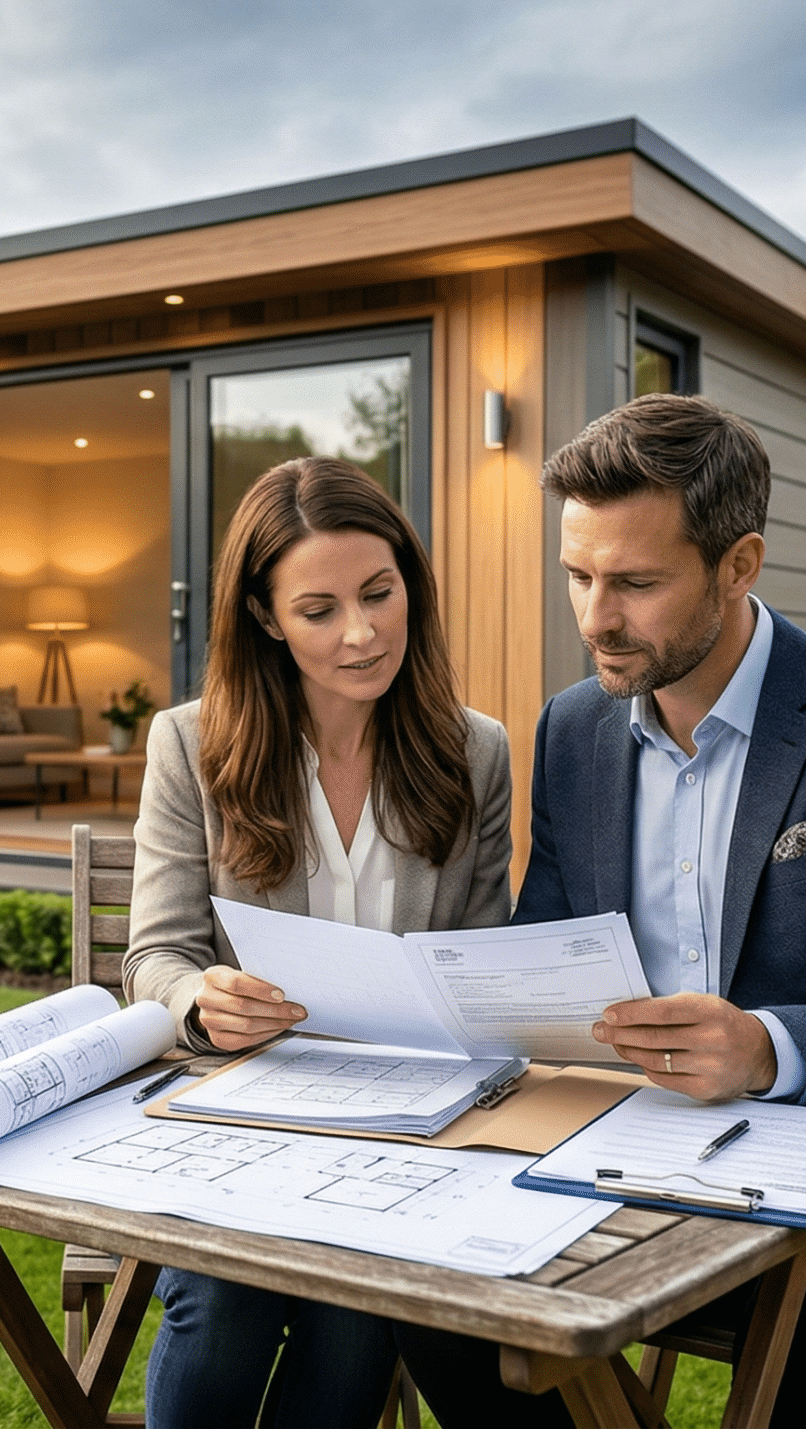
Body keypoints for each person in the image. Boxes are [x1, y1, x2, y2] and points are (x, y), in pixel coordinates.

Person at [394, 394, 806, 1428]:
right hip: (628, 1149)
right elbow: (547, 954)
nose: (595, 617)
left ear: (738, 565)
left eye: (635, 583)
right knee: (434, 1300)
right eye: (578, 574)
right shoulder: (576, 728)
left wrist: (767, 1046)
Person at [124, 455, 516, 1428]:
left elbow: (480, 957)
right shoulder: (192, 744)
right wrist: (198, 998)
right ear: (263, 617)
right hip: (243, 1107)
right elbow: (154, 955)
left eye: (380, 594)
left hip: (407, 1118)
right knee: (221, 1302)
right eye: (319, 609)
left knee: (355, 1318)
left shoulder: (474, 751)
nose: (361, 632)